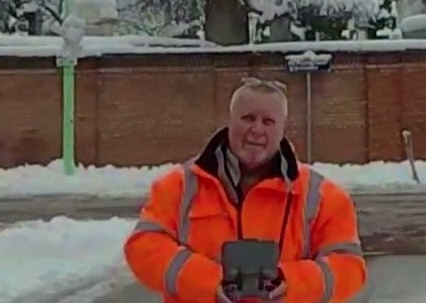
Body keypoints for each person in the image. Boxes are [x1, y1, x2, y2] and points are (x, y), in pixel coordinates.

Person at [125, 77, 369, 303]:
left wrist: (291, 283)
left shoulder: (323, 197)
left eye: (268, 121)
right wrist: (207, 281)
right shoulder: (179, 187)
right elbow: (143, 247)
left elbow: (349, 266)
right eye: (248, 118)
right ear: (230, 120)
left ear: (283, 128)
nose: (257, 129)